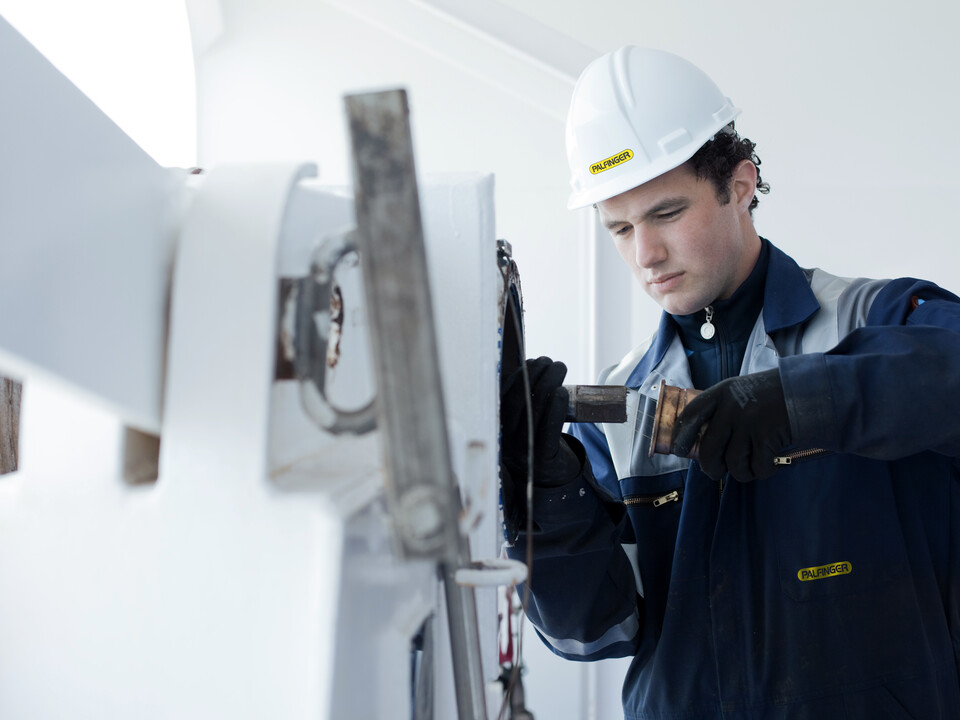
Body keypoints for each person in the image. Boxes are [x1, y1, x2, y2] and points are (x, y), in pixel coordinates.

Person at [500, 46, 960, 719]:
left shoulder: (876, 317)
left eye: (665, 214)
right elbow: (596, 630)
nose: (645, 254)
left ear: (740, 184)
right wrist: (550, 494)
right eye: (620, 228)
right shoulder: (622, 403)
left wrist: (802, 402)